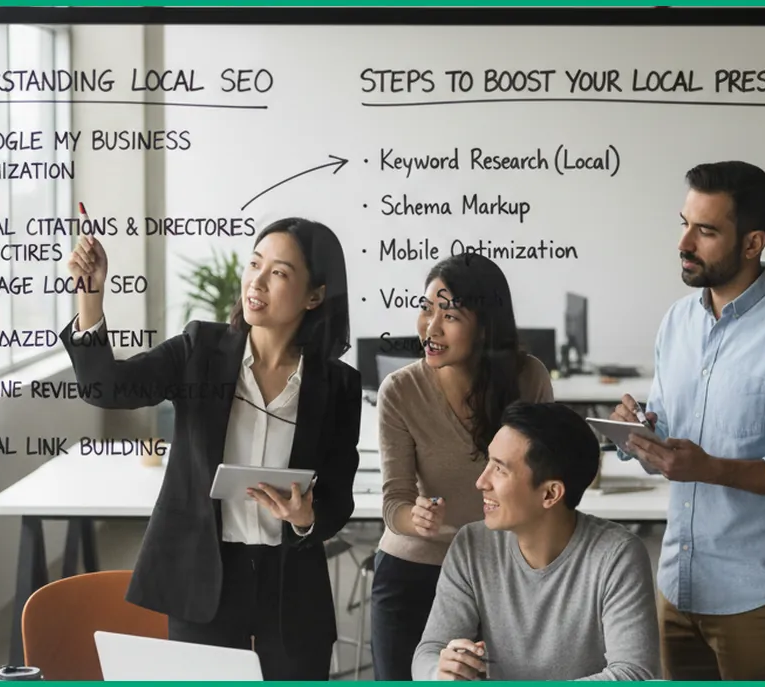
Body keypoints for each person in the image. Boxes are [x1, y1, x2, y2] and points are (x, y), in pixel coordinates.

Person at [59, 217, 361, 680]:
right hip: (206, 575)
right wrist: (90, 296)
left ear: (314, 295)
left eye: (278, 273)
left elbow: (339, 496)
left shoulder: (338, 385)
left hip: (291, 583)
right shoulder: (199, 349)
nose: (256, 281)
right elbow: (106, 388)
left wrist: (306, 518)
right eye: (255, 264)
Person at [610, 160, 765, 680]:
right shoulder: (676, 322)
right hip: (677, 585)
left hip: (759, 596)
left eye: (706, 230)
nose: (684, 242)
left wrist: (713, 468)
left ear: (752, 242)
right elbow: (672, 448)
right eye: (684, 222)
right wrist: (639, 432)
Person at [370, 252, 554, 680]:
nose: (430, 327)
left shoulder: (528, 379)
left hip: (502, 576)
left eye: (448, 314)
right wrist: (417, 520)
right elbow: (394, 502)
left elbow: (549, 475)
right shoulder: (400, 390)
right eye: (426, 308)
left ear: (486, 325)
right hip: (414, 575)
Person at [411, 401, 661, 681]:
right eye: (488, 463)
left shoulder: (616, 555)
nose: (481, 482)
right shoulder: (472, 544)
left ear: (550, 494)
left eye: (500, 470)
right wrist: (440, 673)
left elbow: (635, 674)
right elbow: (429, 651)